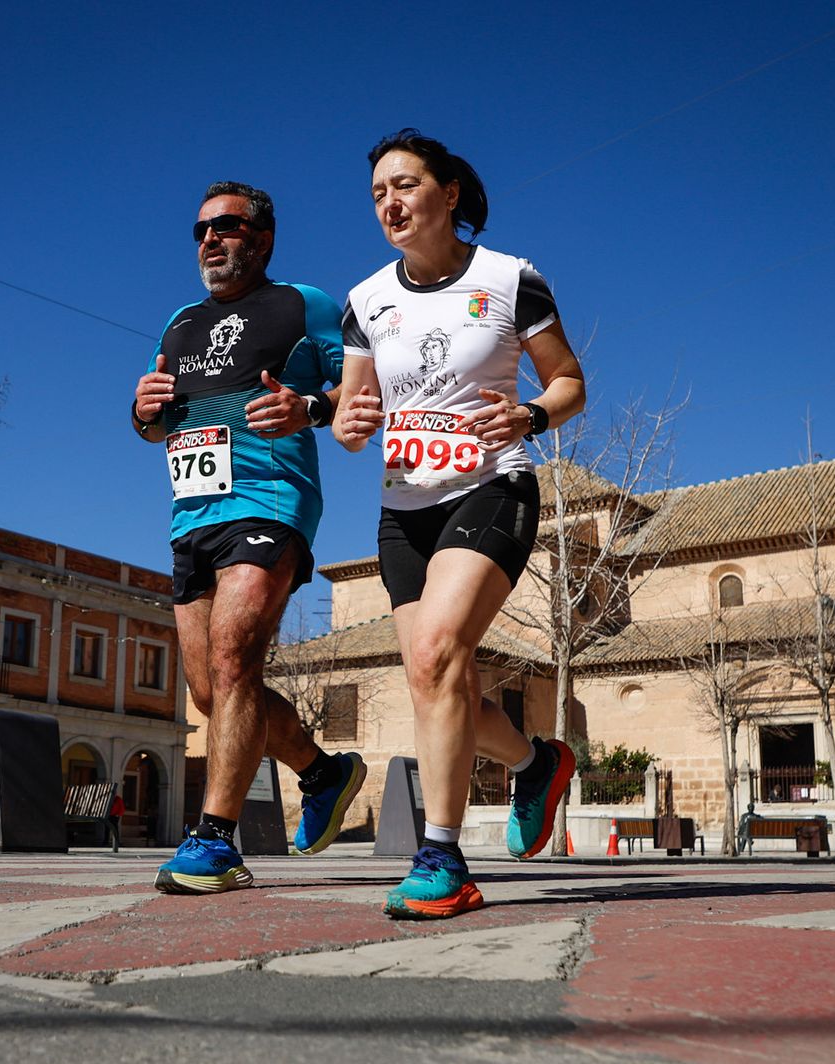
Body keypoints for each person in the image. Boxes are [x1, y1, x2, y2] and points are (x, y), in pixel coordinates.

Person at [335, 130, 587, 919]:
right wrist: (348, 421)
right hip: (404, 509)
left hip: (493, 486)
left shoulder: (512, 279)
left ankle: (441, 857)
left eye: (404, 186)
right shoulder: (365, 299)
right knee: (432, 677)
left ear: (448, 193)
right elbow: (352, 407)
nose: (390, 203)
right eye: (378, 193)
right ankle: (537, 764)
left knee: (441, 651)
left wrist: (532, 415)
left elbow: (570, 380)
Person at [133, 181, 366, 894]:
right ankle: (324, 772)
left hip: (271, 500)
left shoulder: (304, 304)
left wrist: (311, 405)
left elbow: (362, 396)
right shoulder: (178, 322)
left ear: (262, 237)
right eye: (200, 229)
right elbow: (156, 422)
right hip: (191, 518)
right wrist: (142, 413)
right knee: (212, 691)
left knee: (236, 654)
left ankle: (215, 842)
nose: (209, 239)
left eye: (226, 226)